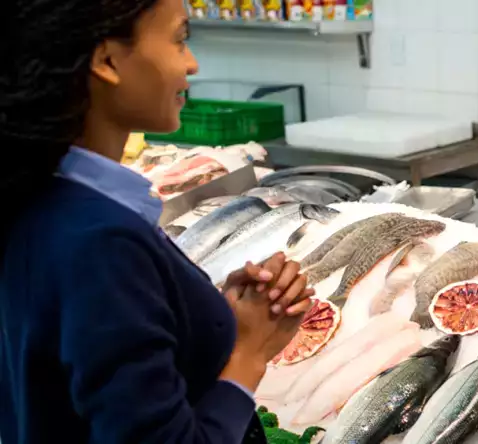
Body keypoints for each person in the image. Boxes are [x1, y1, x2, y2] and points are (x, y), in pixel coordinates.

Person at [0, 0, 315, 442]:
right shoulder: (99, 241)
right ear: (107, 61)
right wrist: (250, 353)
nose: (192, 63)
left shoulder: (42, 197)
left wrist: (195, 315)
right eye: (179, 39)